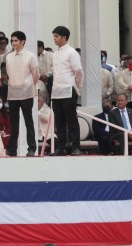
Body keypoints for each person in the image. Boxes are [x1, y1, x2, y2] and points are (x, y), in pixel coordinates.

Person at [6, 31, 40, 157]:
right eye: (12, 40)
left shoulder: (30, 56)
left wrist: (29, 85)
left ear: (23, 42)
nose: (13, 43)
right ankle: (12, 148)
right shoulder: (8, 57)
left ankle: (31, 148)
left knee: (28, 121)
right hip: (13, 93)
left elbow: (36, 75)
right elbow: (8, 74)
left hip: (26, 92)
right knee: (14, 122)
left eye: (16, 40)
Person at [51, 26, 84, 156]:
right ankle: (61, 147)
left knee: (71, 120)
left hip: (69, 89)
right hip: (56, 90)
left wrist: (78, 88)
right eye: (54, 36)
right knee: (59, 121)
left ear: (64, 37)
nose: (54, 39)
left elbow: (79, 71)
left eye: (56, 36)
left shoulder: (71, 52)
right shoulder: (55, 53)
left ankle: (76, 146)